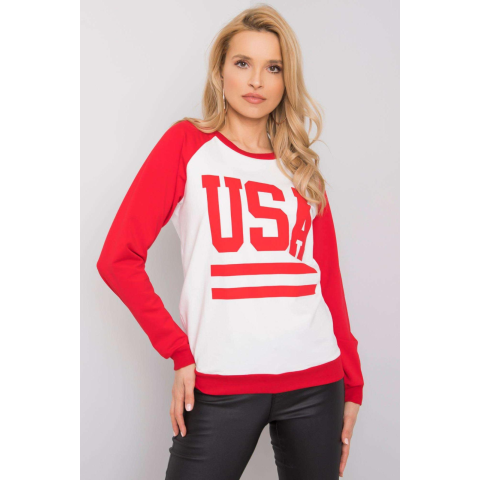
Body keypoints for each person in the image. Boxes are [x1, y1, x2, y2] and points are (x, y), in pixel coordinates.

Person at [97, 5, 364, 479]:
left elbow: (327, 283)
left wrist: (353, 382)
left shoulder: (301, 169)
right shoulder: (187, 145)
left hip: (316, 380)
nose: (257, 80)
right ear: (221, 71)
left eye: (273, 67)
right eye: (243, 63)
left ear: (286, 80)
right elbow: (118, 258)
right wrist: (178, 350)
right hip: (220, 382)